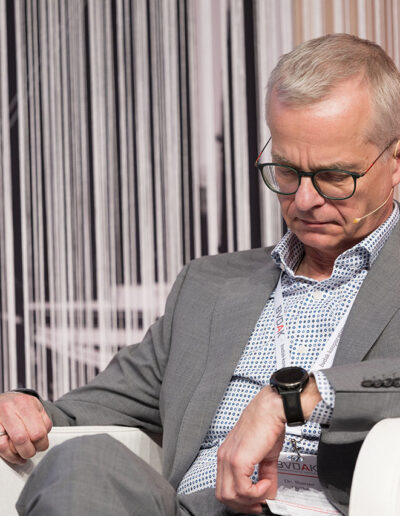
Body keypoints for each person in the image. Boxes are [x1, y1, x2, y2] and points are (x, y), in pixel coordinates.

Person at [1, 33, 400, 516]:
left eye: (335, 176)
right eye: (287, 171)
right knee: (83, 462)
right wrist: (20, 411)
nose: (304, 200)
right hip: (190, 509)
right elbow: (85, 411)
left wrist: (292, 398)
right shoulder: (207, 287)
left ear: (394, 162)